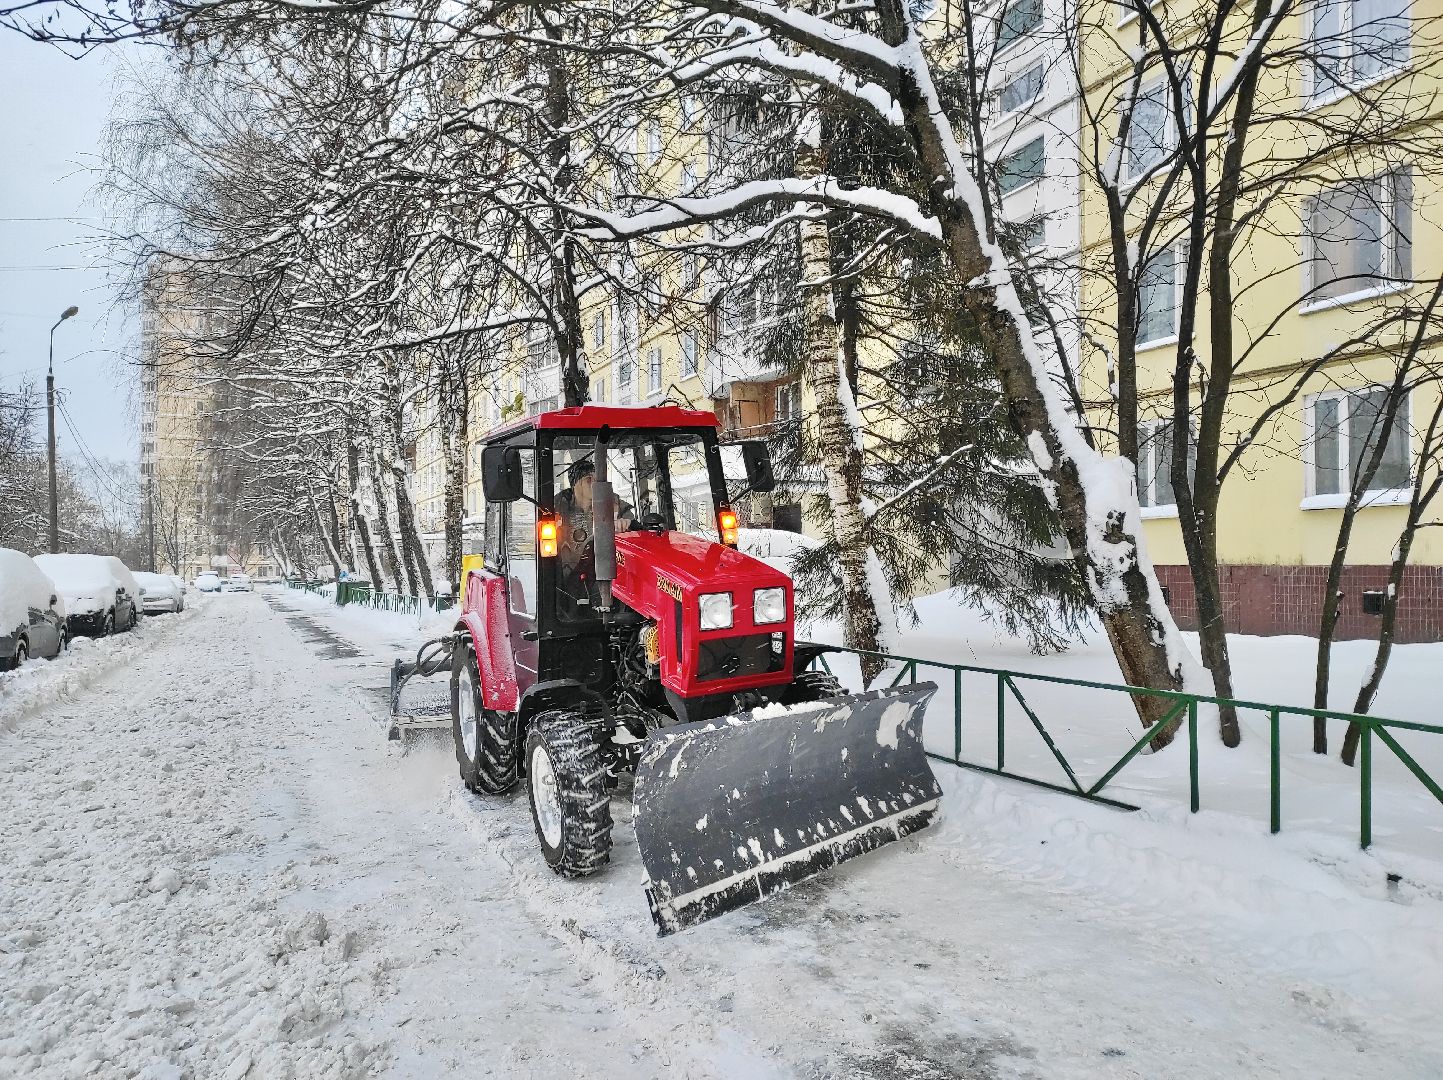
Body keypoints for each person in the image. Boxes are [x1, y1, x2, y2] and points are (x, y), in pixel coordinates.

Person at [555, 457, 635, 615]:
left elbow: (631, 523)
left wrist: (625, 523)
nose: (594, 484)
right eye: (588, 480)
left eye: (596, 479)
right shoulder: (558, 507)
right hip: (566, 576)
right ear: (576, 484)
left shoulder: (613, 503)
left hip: (606, 570)